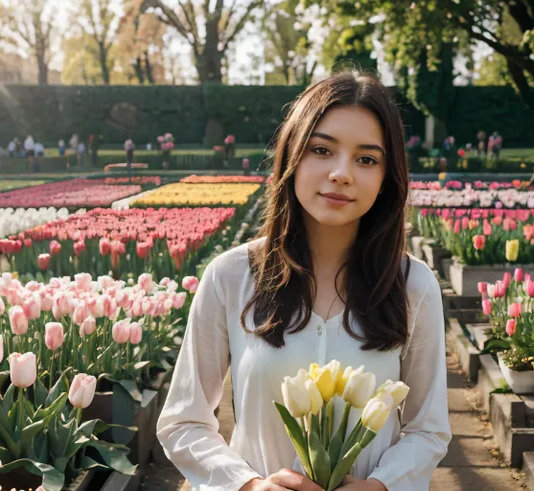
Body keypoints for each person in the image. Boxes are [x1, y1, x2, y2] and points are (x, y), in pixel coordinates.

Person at [156, 71, 451, 491]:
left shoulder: (411, 285)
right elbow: (183, 422)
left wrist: (382, 485)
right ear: (292, 156)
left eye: (367, 159)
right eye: (321, 150)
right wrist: (247, 485)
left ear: (388, 177)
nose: (341, 173)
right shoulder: (232, 277)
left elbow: (428, 429)